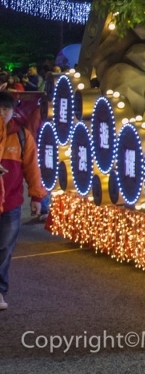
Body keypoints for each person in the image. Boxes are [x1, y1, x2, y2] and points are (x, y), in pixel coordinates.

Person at [1, 90, 48, 311]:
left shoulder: (21, 135)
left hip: (10, 204)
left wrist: (37, 196)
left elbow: (32, 168)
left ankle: (0, 292)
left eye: (6, 109)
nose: (2, 113)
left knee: (4, 250)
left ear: (12, 111)